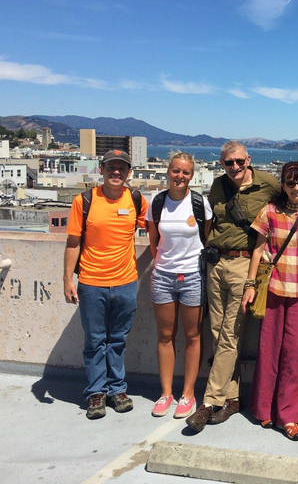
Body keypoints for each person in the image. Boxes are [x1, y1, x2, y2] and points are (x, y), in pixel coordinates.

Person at [186, 141, 279, 432]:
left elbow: (286, 211)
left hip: (245, 266)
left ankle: (209, 402)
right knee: (217, 334)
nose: (235, 168)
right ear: (222, 163)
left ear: (248, 159)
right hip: (216, 264)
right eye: (229, 163)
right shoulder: (217, 186)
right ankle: (234, 398)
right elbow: (213, 222)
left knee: (230, 334)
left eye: (240, 162)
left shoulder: (268, 184)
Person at [242, 162, 298, 441]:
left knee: (297, 353)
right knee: (268, 349)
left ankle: (289, 414)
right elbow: (257, 251)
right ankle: (265, 408)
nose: (296, 188)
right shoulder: (270, 212)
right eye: (290, 183)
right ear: (283, 185)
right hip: (274, 291)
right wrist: (250, 286)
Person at [63, 149, 148, 420]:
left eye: (121, 168)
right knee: (95, 341)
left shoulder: (135, 199)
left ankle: (117, 390)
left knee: (118, 340)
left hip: (125, 282)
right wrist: (68, 279)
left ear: (128, 173)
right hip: (91, 282)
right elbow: (73, 242)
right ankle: (96, 392)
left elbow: (157, 227)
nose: (116, 172)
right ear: (101, 170)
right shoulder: (84, 200)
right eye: (111, 167)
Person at [146, 153, 213, 419]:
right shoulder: (156, 202)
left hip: (193, 276)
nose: (180, 176)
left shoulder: (199, 203)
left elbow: (206, 238)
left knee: (193, 336)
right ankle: (166, 393)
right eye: (176, 171)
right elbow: (153, 240)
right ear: (167, 172)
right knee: (165, 336)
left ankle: (188, 393)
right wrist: (165, 263)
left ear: (192, 175)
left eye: (185, 172)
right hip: (163, 276)